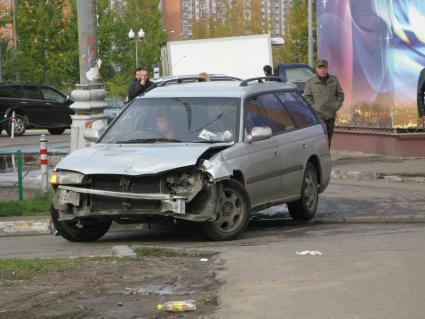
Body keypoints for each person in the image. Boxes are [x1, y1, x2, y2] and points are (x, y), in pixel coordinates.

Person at [304, 59, 344, 147]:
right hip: (318, 116)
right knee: (321, 139)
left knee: (329, 139)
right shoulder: (311, 82)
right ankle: (322, 157)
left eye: (324, 68)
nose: (322, 70)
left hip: (330, 115)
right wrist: (314, 107)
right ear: (316, 69)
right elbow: (307, 97)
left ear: (327, 68)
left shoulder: (334, 80)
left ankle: (326, 157)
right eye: (320, 68)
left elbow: (340, 95)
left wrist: (335, 106)